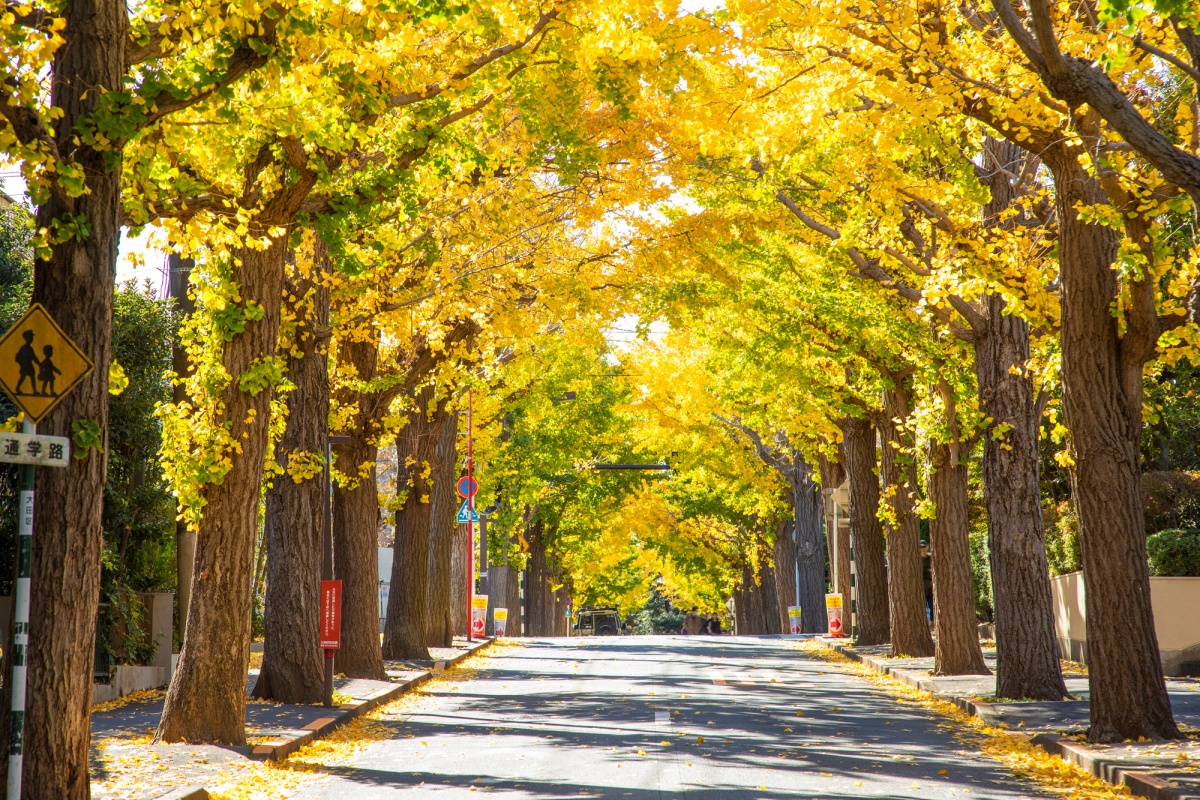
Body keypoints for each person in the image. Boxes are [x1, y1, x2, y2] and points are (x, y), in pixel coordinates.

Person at [14, 330, 38, 395]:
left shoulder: (29, 348)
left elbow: (34, 357)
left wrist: (39, 364)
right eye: (31, 337)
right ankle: (17, 388)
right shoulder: (25, 348)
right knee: (23, 377)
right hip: (25, 365)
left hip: (29, 365)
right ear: (27, 338)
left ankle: (34, 391)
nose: (32, 339)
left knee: (32, 377)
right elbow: (33, 357)